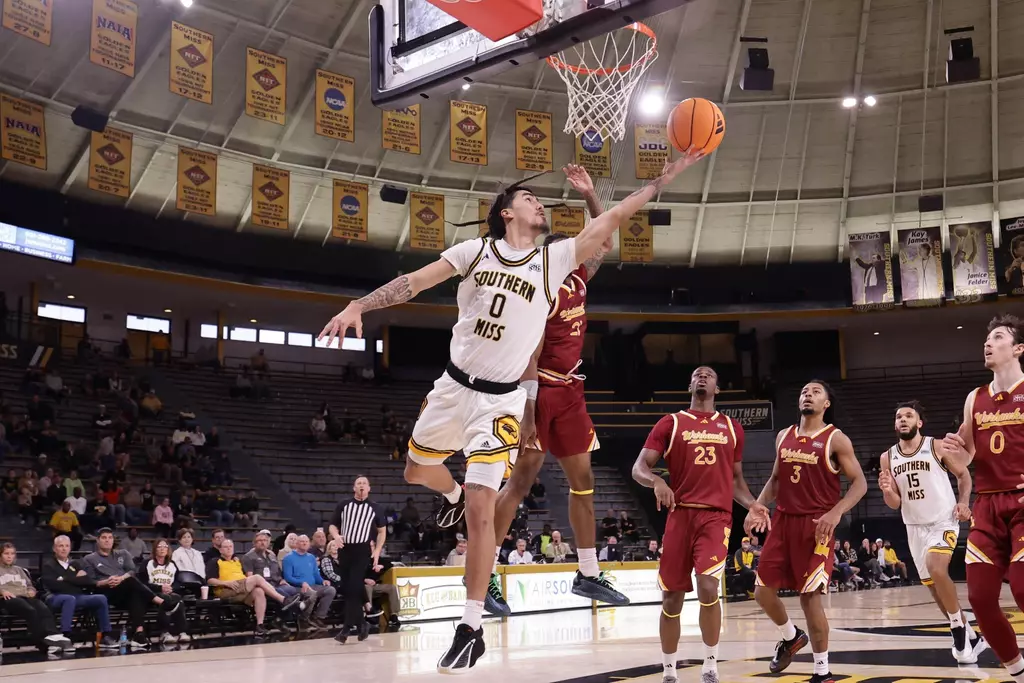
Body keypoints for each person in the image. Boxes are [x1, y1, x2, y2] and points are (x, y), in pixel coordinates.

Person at [319, 153, 704, 672]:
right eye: (529, 198)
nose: (539, 203)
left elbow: (612, 220)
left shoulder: (557, 260)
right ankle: (450, 493)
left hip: (499, 401)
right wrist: (358, 306)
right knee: (416, 470)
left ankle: (470, 626)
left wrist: (667, 176)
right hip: (452, 388)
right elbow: (414, 281)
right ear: (506, 213)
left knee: (484, 509)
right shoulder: (475, 251)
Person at [633, 366, 769, 683]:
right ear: (690, 384)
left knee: (708, 587)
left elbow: (736, 482)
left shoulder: (732, 428)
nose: (703, 377)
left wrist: (753, 504)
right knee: (672, 599)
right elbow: (640, 467)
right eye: (697, 374)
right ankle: (669, 670)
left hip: (715, 517)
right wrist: (655, 482)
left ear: (717, 389)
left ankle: (710, 664)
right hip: (680, 515)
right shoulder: (672, 422)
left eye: (709, 375)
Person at [745, 381, 867, 683]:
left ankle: (822, 672)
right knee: (762, 591)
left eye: (815, 392)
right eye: (803, 391)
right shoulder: (784, 436)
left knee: (809, 598)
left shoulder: (835, 439)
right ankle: (791, 637)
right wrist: (757, 507)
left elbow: (860, 483)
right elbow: (775, 480)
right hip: (784, 521)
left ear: (826, 404)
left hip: (816, 526)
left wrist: (836, 511)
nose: (807, 394)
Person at [940, 316, 1024, 683]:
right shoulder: (974, 398)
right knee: (981, 597)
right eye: (987, 338)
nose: (988, 343)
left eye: (998, 337)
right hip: (987, 508)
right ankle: (1019, 673)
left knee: (1022, 588)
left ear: (1018, 348)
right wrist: (951, 454)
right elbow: (966, 459)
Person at [81, 528, 182, 649]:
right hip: (106, 592)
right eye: (104, 538)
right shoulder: (89, 559)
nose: (107, 540)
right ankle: (161, 602)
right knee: (131, 583)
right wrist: (106, 582)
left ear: (113, 540)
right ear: (98, 541)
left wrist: (121, 578)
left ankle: (138, 634)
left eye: (110, 538)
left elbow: (132, 571)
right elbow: (91, 582)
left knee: (135, 591)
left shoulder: (123, 553)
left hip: (125, 589)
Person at [328, 475, 386, 644]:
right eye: (358, 483)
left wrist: (376, 551)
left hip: (361, 551)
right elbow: (332, 525)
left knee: (354, 589)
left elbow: (382, 531)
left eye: (364, 483)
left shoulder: (375, 508)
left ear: (369, 488)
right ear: (354, 488)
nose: (361, 485)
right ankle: (362, 624)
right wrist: (336, 536)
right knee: (348, 589)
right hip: (345, 550)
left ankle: (346, 629)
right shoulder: (344, 505)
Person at [206, 538, 305, 638]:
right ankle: (283, 600)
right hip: (227, 590)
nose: (228, 549)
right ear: (220, 550)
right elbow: (210, 580)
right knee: (257, 578)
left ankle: (260, 626)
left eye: (230, 546)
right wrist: (226, 583)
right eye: (225, 547)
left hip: (242, 590)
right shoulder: (215, 561)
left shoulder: (237, 561)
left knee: (259, 591)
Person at [41, 535, 119, 648]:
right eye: (61, 546)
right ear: (54, 548)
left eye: (67, 546)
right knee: (69, 599)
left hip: (77, 596)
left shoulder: (75, 564)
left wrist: (65, 578)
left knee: (100, 598)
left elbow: (86, 581)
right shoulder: (48, 565)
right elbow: (54, 586)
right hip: (56, 597)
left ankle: (105, 636)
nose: (64, 549)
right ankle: (65, 636)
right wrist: (75, 579)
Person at [0, 543, 73, 654]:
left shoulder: (20, 570)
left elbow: (30, 585)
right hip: (8, 598)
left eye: (12, 554)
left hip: (25, 596)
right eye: (6, 554)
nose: (9, 556)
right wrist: (2, 591)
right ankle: (42, 640)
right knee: (30, 610)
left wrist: (31, 591)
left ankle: (54, 635)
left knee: (42, 606)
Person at [138, 539, 189, 643]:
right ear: (154, 549)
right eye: (159, 546)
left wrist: (171, 588)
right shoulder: (147, 563)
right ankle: (164, 633)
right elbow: (142, 583)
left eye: (164, 546)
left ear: (168, 549)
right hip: (152, 594)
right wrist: (160, 588)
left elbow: (178, 582)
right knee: (167, 599)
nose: (162, 549)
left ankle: (181, 632)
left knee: (179, 600)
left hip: (170, 593)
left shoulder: (172, 564)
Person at [282, 534, 336, 630]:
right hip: (297, 587)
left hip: (313, 585)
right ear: (297, 543)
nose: (304, 543)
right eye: (302, 541)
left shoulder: (311, 557)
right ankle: (303, 619)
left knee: (330, 590)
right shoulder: (288, 558)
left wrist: (323, 581)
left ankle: (318, 617)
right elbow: (288, 577)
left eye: (306, 541)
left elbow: (316, 574)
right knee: (312, 593)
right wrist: (301, 583)